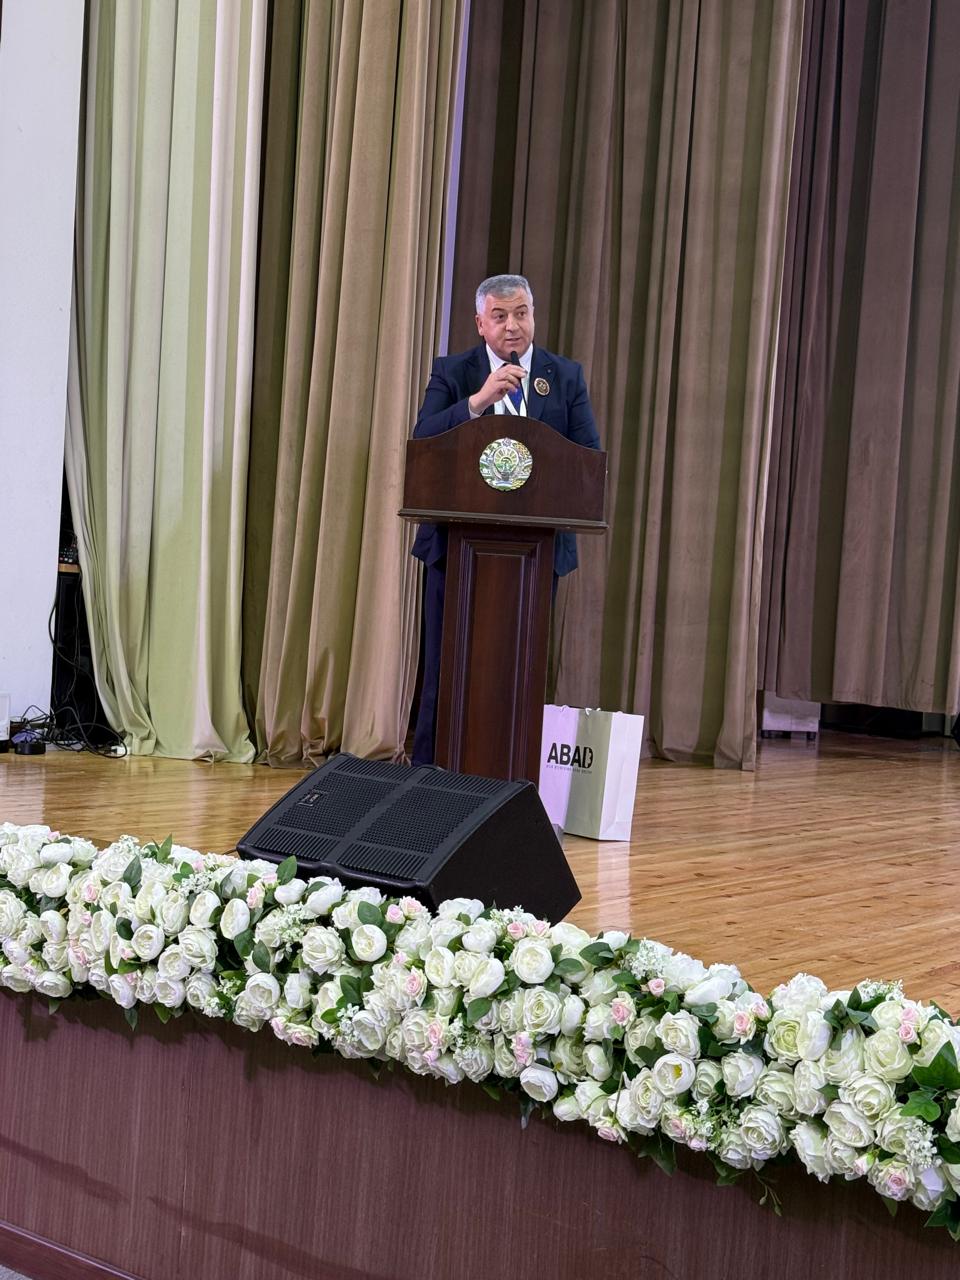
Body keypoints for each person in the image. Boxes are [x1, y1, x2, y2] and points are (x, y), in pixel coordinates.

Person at [410, 273, 600, 764]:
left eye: (521, 314)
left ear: (533, 316)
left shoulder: (565, 377)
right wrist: (478, 402)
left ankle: (514, 776)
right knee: (445, 668)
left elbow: (588, 458)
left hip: (534, 552)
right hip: (456, 547)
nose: (512, 325)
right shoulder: (454, 371)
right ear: (481, 323)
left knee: (519, 671)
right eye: (500, 316)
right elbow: (424, 441)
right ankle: (429, 778)